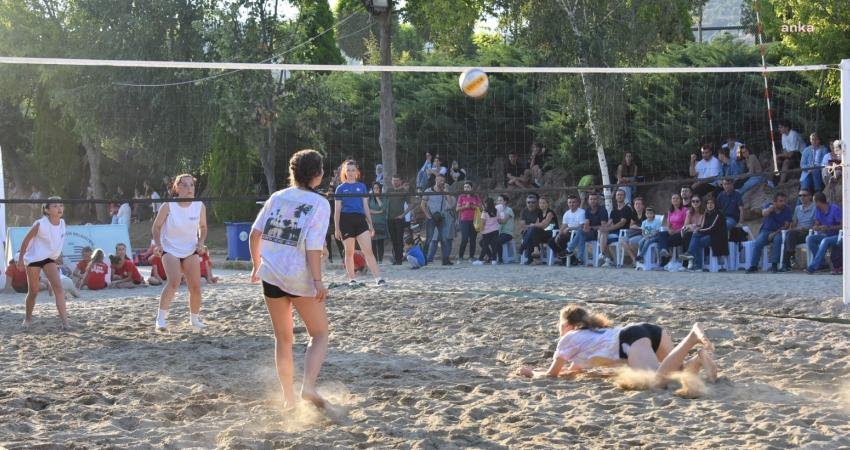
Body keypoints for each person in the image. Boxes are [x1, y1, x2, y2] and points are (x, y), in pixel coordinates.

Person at [249, 148, 331, 410]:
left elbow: (254, 234)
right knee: (319, 334)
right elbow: (313, 247)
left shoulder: (277, 196)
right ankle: (308, 386)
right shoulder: (320, 203)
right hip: (300, 277)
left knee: (283, 339)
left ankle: (288, 399)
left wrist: (256, 266)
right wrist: (317, 281)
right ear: (317, 174)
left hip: (271, 274)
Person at [517, 305, 717, 388]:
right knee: (677, 373)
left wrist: (531, 372)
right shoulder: (591, 333)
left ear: (568, 325)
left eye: (560, 325)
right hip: (649, 331)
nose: (559, 329)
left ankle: (692, 337)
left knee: (657, 382)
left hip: (630, 339)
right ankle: (698, 358)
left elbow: (552, 374)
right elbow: (573, 370)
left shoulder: (568, 338)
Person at [151, 173, 209, 331]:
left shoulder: (199, 206)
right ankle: (160, 319)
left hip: (190, 249)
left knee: (195, 286)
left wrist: (201, 242)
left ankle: (194, 319)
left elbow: (203, 227)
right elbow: (156, 227)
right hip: (170, 249)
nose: (189, 188)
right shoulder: (168, 206)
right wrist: (158, 245)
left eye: (192, 185)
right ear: (176, 188)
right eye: (185, 185)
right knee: (174, 282)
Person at [17, 197, 68, 330]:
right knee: (33, 291)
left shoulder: (62, 223)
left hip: (49, 259)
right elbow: (25, 241)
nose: (59, 208)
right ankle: (27, 319)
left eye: (61, 206)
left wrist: (57, 255)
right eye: (55, 206)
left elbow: (55, 242)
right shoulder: (40, 224)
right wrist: (21, 259)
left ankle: (65, 322)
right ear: (47, 210)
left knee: (59, 288)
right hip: (34, 259)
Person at [335, 160, 385, 285]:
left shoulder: (362, 186)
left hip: (360, 220)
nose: (351, 173)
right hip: (346, 221)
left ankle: (378, 278)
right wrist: (337, 228)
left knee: (368, 251)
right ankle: (352, 279)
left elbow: (365, 207)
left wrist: (370, 224)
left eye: (353, 170)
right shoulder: (340, 188)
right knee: (349, 252)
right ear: (345, 172)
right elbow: (337, 210)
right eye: (348, 170)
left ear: (357, 172)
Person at [746, 192, 793, 273]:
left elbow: (787, 226)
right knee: (758, 243)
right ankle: (754, 266)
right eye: (781, 201)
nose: (783, 203)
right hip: (766, 231)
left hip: (779, 231)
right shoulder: (769, 206)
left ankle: (774, 265)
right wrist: (769, 209)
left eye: (784, 201)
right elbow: (764, 213)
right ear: (775, 202)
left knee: (778, 240)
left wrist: (777, 231)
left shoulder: (787, 210)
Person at [680, 196, 727, 271]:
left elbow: (711, 227)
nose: (710, 205)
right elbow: (704, 227)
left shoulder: (718, 214)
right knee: (696, 238)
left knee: (696, 239)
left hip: (718, 237)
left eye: (712, 203)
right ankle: (695, 263)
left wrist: (698, 230)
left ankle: (693, 258)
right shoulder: (708, 214)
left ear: (715, 204)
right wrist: (697, 230)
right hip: (709, 235)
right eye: (708, 203)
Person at [420, 174, 456, 266]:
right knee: (429, 239)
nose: (442, 182)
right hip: (431, 218)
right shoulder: (428, 191)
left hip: (442, 218)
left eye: (443, 181)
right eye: (440, 180)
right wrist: (428, 216)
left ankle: (445, 260)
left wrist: (446, 193)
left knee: (444, 239)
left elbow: (451, 203)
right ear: (436, 180)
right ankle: (423, 259)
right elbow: (422, 205)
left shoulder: (444, 191)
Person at [777, 189, 815, 271]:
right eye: (800, 195)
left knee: (789, 236)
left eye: (804, 195)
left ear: (810, 197)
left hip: (809, 233)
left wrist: (806, 229)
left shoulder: (814, 207)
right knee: (788, 235)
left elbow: (816, 224)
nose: (802, 197)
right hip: (797, 233)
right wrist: (789, 225)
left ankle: (787, 263)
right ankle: (790, 258)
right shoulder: (798, 208)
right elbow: (794, 223)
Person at [805, 192, 842, 274]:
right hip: (827, 235)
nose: (813, 204)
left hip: (838, 235)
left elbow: (843, 226)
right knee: (809, 238)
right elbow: (817, 223)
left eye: (814, 201)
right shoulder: (817, 210)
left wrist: (828, 227)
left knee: (825, 240)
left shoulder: (834, 209)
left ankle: (813, 267)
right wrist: (816, 227)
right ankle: (822, 264)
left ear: (818, 202)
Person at [598, 189, 632, 267]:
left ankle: (605, 256)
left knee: (603, 237)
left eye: (621, 195)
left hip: (622, 234)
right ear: (615, 197)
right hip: (614, 233)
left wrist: (608, 229)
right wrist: (602, 228)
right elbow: (609, 222)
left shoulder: (627, 209)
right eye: (618, 195)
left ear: (624, 197)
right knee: (602, 233)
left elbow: (621, 223)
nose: (619, 196)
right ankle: (606, 257)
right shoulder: (614, 211)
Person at [385, 175, 414, 265]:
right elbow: (383, 202)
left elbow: (411, 205)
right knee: (393, 239)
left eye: (397, 180)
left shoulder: (404, 191)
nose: (395, 182)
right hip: (389, 218)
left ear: (400, 181)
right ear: (391, 181)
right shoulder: (389, 190)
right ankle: (396, 258)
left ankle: (399, 259)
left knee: (399, 239)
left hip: (399, 219)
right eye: (394, 180)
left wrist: (403, 215)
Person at [550, 195, 586, 265]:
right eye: (570, 202)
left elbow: (581, 226)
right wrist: (558, 234)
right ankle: (567, 259)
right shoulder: (567, 213)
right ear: (567, 203)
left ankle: (567, 258)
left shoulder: (581, 212)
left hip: (577, 233)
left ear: (577, 203)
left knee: (562, 240)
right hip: (568, 233)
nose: (571, 204)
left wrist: (570, 228)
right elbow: (564, 225)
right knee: (551, 241)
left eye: (573, 202)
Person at [656, 193, 688, 261]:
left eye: (677, 198)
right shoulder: (670, 211)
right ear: (671, 200)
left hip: (681, 233)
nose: (675, 200)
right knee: (661, 234)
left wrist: (675, 231)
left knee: (665, 240)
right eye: (673, 198)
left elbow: (685, 225)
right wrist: (669, 230)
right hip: (672, 232)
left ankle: (667, 256)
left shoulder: (684, 210)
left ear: (680, 200)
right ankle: (665, 251)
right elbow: (668, 225)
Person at [456, 181, 481, 262]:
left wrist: (473, 206)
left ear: (471, 188)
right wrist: (465, 207)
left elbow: (480, 207)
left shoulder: (476, 196)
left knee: (473, 239)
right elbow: (457, 209)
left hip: (474, 220)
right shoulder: (461, 197)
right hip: (464, 220)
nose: (466, 188)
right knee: (465, 239)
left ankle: (471, 257)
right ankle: (460, 257)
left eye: (468, 187)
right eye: (465, 187)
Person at [777, 119, 805, 184]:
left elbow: (792, 154)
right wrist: (779, 157)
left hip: (800, 155)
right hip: (792, 155)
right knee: (776, 160)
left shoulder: (793, 134)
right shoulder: (783, 135)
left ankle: (781, 182)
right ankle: (772, 181)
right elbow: (785, 151)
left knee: (786, 162)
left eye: (781, 127)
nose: (779, 129)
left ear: (787, 128)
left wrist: (779, 155)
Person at [474, 197, 500, 265]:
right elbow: (499, 220)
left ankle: (480, 260)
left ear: (486, 204)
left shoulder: (484, 212)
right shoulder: (496, 211)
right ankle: (494, 260)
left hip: (487, 232)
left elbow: (483, 223)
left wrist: (481, 231)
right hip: (495, 230)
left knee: (485, 246)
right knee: (494, 246)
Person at [368, 182, 388, 264]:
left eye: (377, 188)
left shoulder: (383, 197)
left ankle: (380, 260)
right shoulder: (370, 198)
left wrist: (377, 198)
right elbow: (367, 210)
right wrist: (378, 212)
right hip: (372, 223)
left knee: (380, 242)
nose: (376, 190)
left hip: (381, 222)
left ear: (380, 189)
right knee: (373, 243)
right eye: (374, 188)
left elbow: (383, 208)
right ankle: (374, 260)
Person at [494, 194, 515, 264]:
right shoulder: (496, 210)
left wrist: (495, 217)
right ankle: (492, 257)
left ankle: (500, 259)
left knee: (497, 241)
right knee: (483, 242)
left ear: (505, 202)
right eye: (498, 200)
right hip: (498, 232)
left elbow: (504, 221)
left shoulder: (509, 210)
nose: (498, 202)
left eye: (500, 200)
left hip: (507, 233)